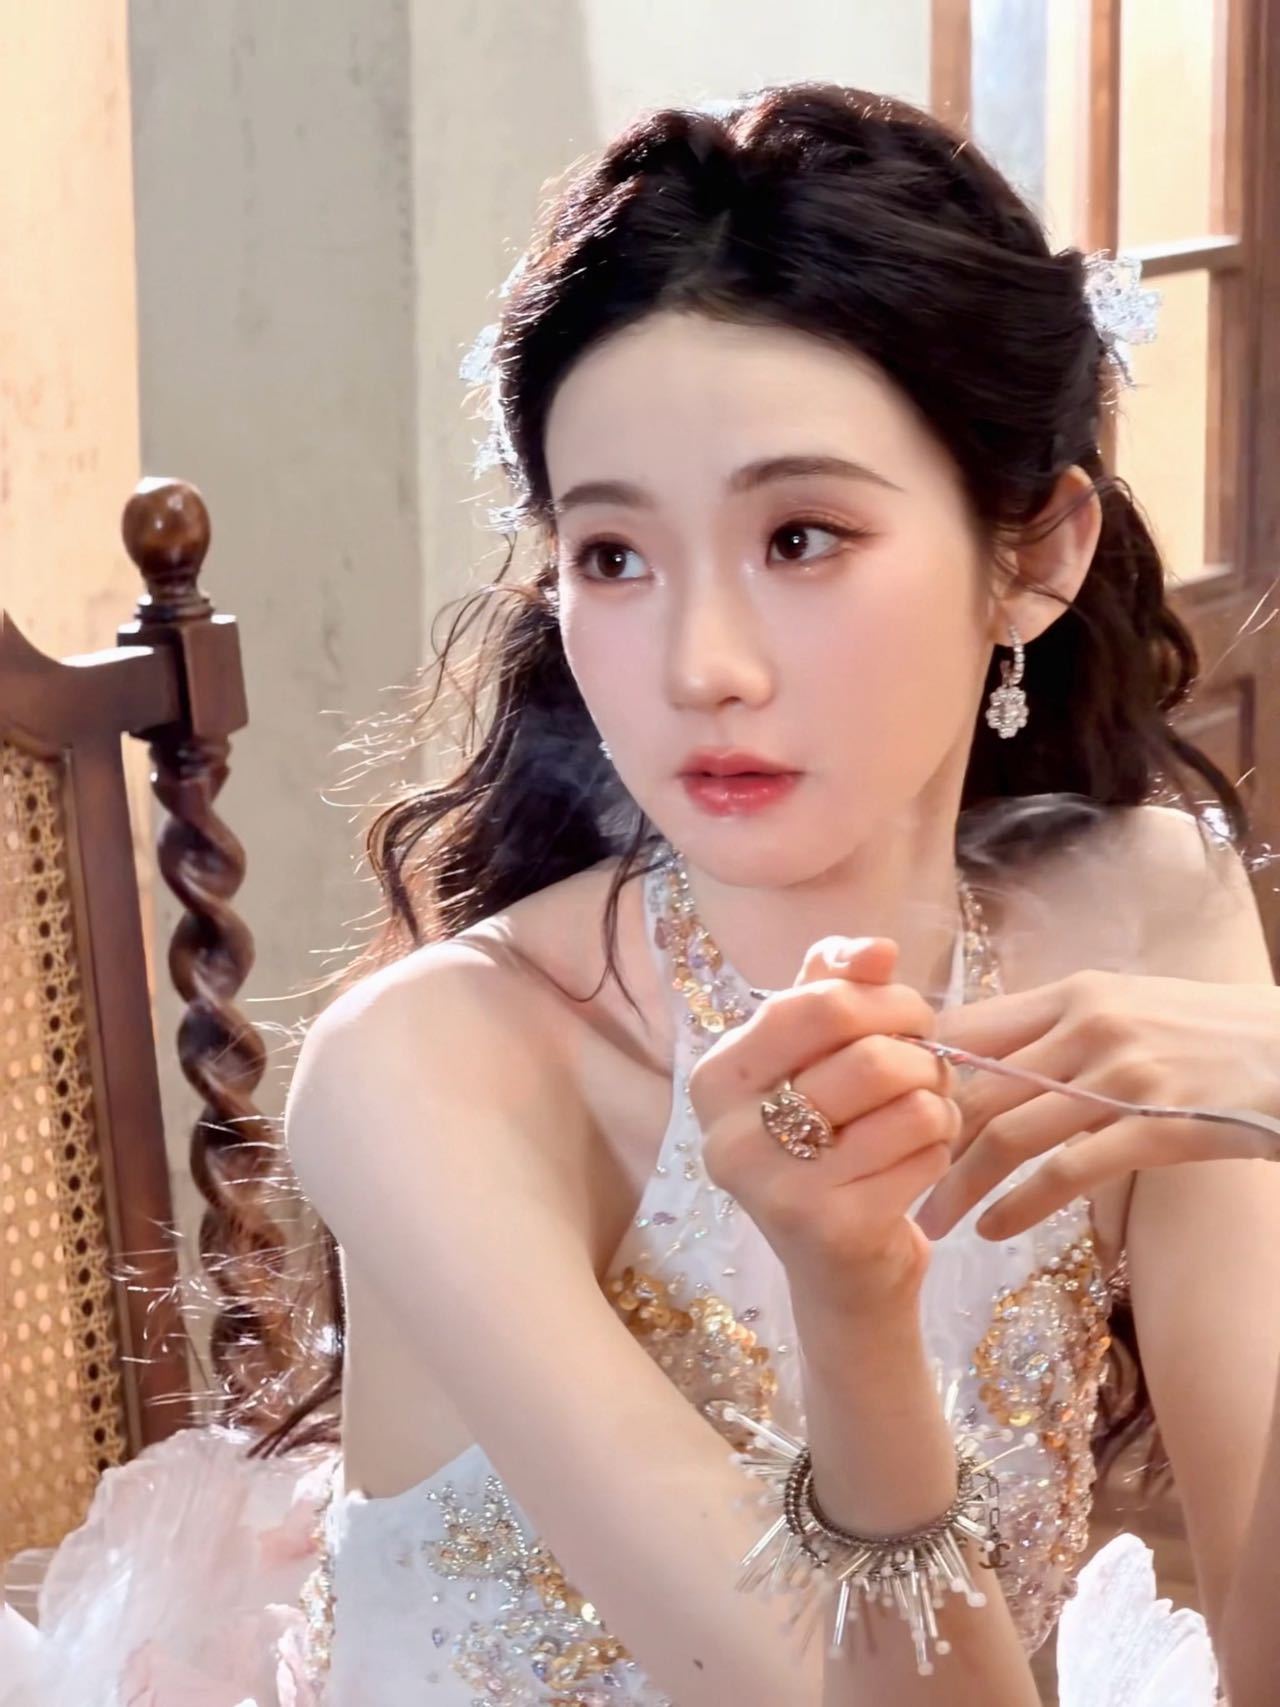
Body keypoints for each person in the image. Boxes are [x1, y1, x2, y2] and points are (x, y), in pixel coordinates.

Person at [4, 80, 1280, 1707]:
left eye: (801, 537)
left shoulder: (1145, 916)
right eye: (614, 557)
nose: (699, 667)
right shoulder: (434, 1072)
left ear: (1033, 554)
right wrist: (854, 1311)